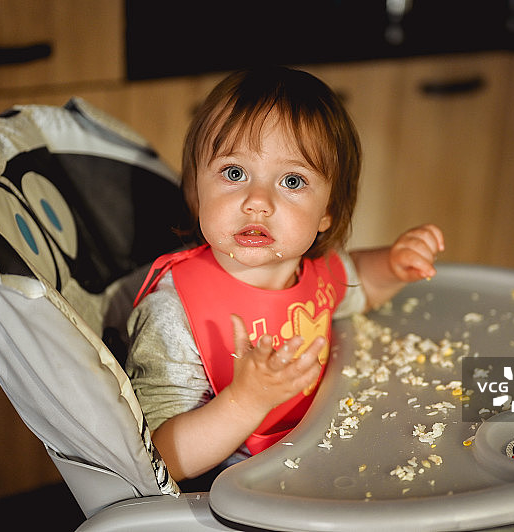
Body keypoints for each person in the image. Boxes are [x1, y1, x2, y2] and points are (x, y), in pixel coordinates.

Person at [126, 66, 444, 486]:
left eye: (292, 180)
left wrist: (393, 264)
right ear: (195, 190)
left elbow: (359, 285)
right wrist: (244, 403)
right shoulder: (176, 311)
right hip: (235, 490)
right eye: (234, 173)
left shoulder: (314, 271)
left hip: (319, 456)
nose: (257, 201)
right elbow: (159, 459)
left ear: (327, 212)